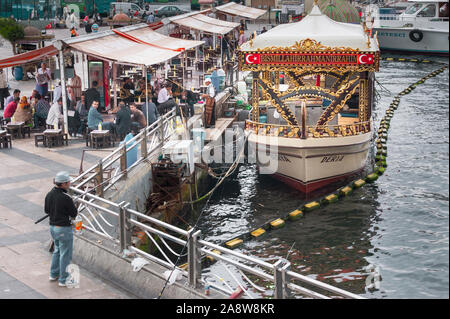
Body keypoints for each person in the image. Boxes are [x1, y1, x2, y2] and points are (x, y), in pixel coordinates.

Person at [44, 171, 78, 287]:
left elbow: (46, 210)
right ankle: (63, 280)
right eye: (68, 182)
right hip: (63, 229)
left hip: (53, 228)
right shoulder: (66, 197)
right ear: (63, 184)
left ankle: (53, 274)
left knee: (57, 251)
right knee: (65, 254)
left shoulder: (49, 194)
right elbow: (74, 213)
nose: (69, 184)